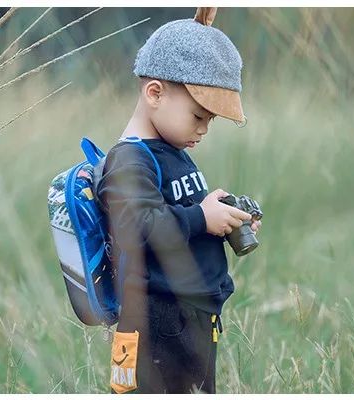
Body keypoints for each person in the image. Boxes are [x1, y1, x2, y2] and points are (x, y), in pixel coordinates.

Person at [96, 7, 262, 394]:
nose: (204, 129)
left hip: (190, 321)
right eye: (198, 116)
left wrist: (223, 218)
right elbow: (139, 227)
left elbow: (176, 218)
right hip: (157, 325)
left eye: (210, 121)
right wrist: (201, 218)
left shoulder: (170, 149)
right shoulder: (131, 159)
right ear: (155, 93)